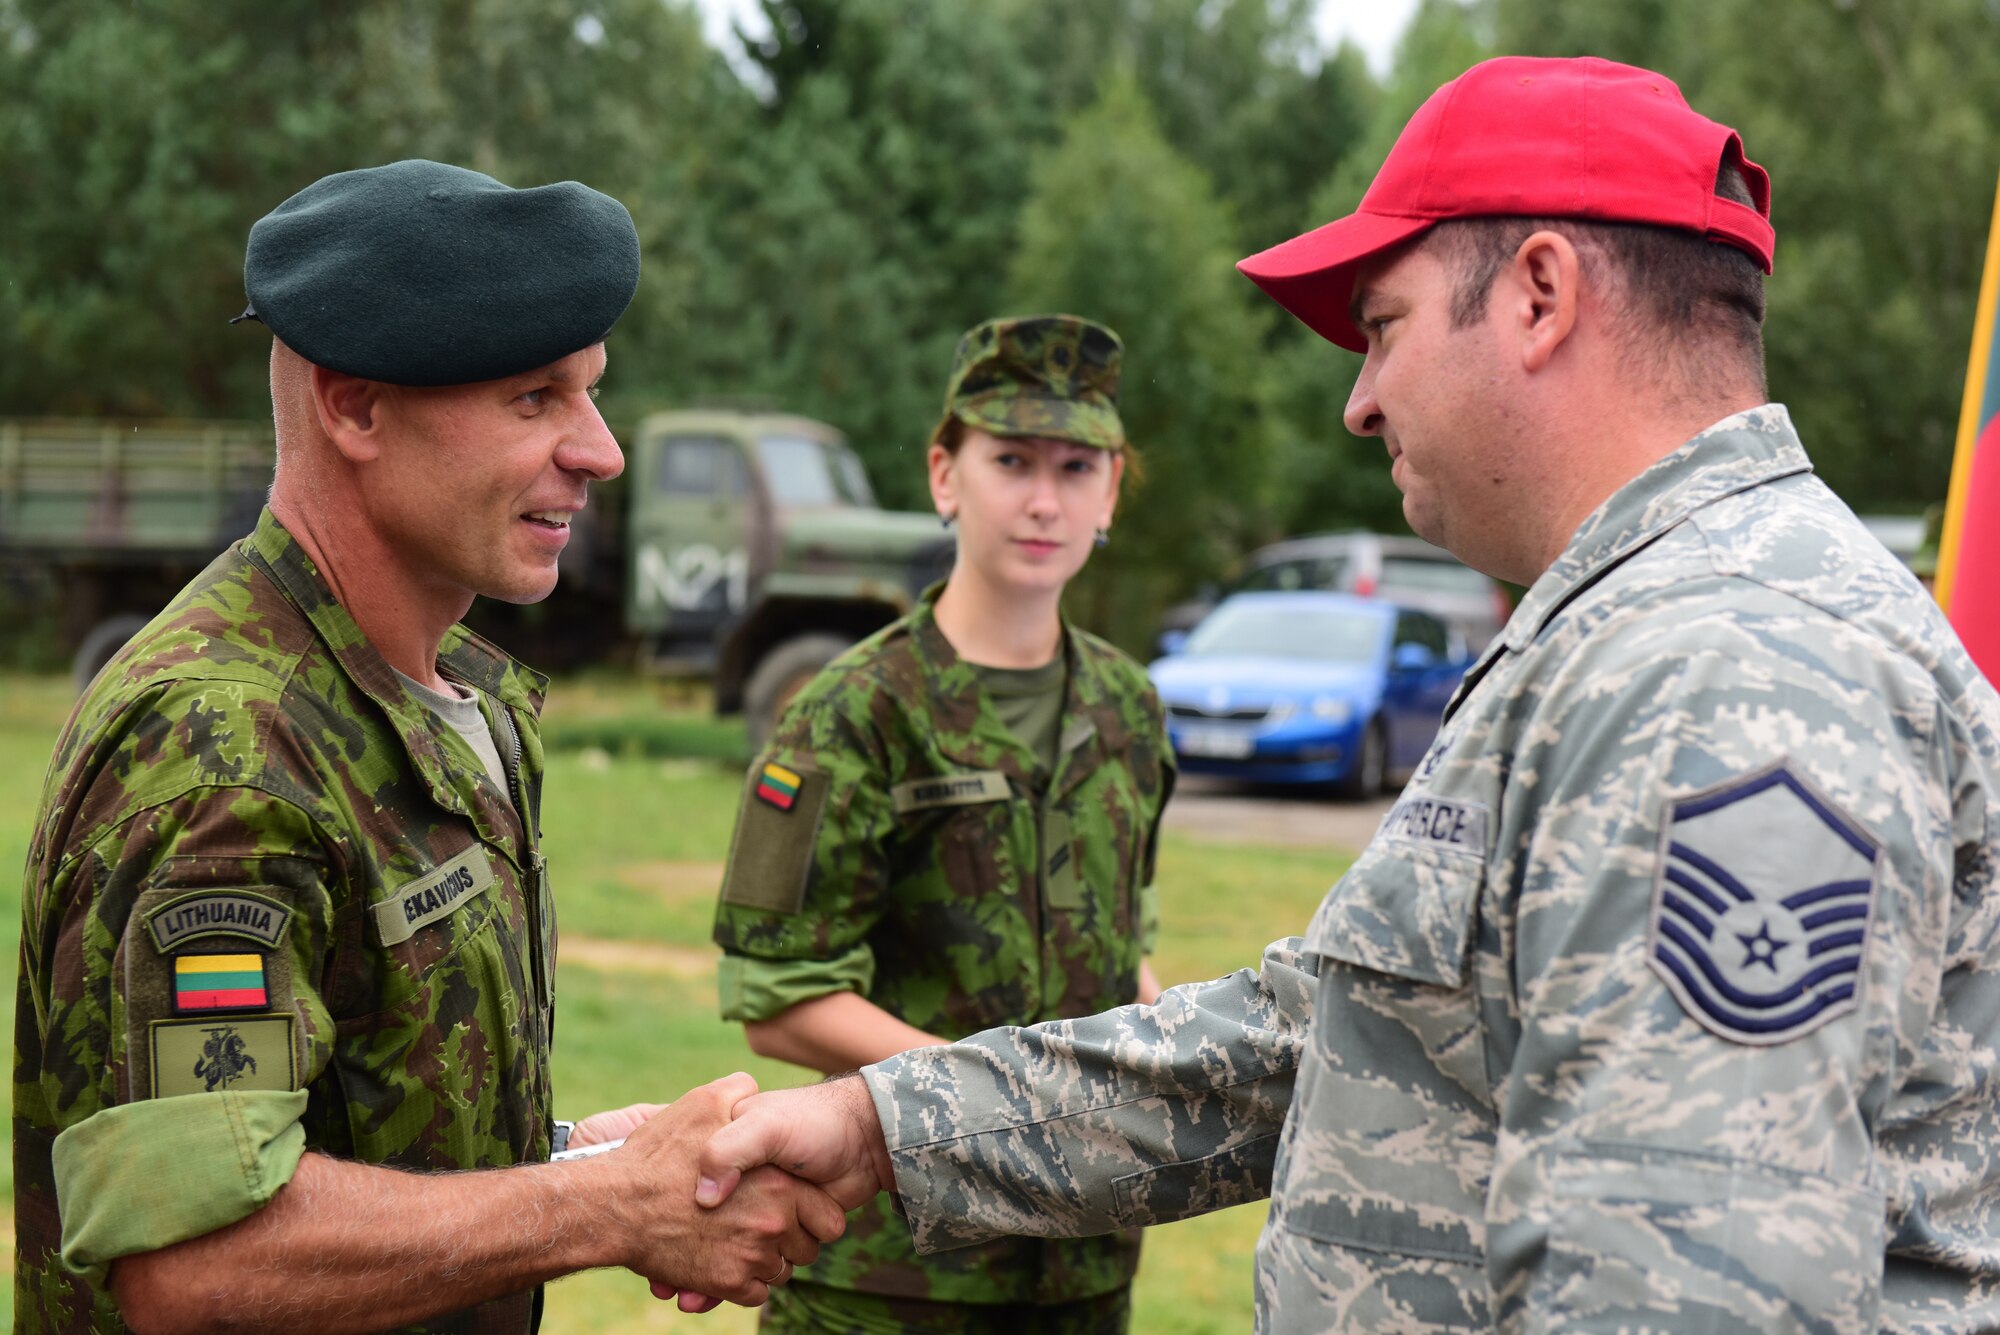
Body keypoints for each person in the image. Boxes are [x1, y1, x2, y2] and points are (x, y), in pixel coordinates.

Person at [693, 56, 2000, 1332]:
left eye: (1382, 326)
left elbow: (1677, 1287)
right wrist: (882, 1122)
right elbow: (1330, 1033)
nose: (1358, 404)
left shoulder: (1718, 670)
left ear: (1540, 293)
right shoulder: (1632, 633)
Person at [14, 159, 843, 1335]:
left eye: (592, 393)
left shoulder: (439, 701)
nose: (600, 451)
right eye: (535, 399)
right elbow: (195, 1258)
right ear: (354, 407)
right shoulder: (222, 747)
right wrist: (608, 1205)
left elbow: (340, 1124)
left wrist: (562, 1162)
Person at [710, 314, 1176, 1334]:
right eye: (1009, 460)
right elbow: (778, 996)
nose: (1043, 498)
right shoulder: (854, 709)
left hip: (1082, 1265)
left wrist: (1158, 1045)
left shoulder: (1126, 707)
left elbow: (1119, 950)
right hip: (888, 1278)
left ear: (1109, 493)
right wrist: (1000, 1108)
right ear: (943, 475)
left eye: (1076, 465)